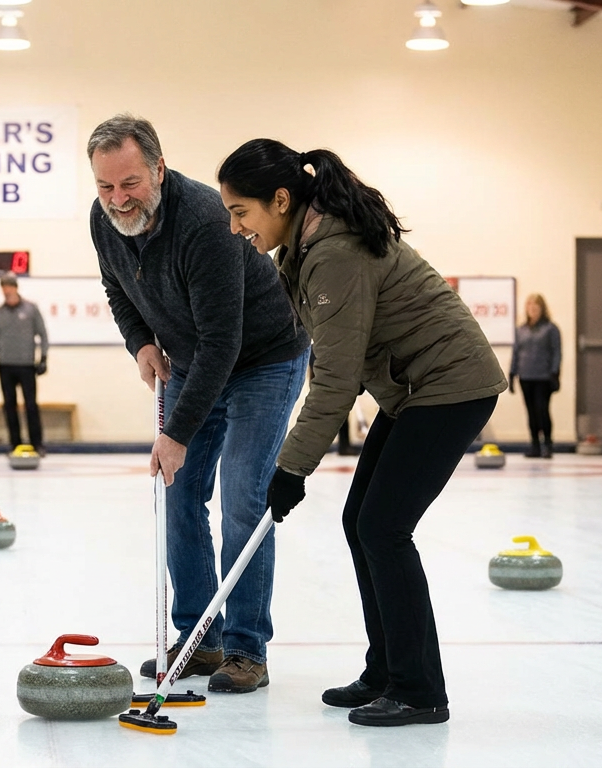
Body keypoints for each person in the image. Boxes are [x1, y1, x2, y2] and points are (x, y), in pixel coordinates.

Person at [217, 139, 507, 726]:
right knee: (361, 522)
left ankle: (420, 691)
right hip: (412, 390)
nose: (234, 227)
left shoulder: (334, 253)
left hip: (450, 386)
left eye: (240, 212)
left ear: (280, 200)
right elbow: (330, 362)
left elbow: (338, 379)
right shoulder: (302, 251)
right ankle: (387, 670)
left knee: (384, 528)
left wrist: (291, 466)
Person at [88, 115, 309, 693]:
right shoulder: (104, 220)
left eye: (130, 183)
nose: (118, 198)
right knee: (178, 492)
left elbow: (223, 340)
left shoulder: (207, 219)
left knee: (243, 494)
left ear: (159, 169)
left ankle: (244, 648)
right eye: (106, 186)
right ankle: (198, 638)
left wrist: (177, 432)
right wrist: (139, 341)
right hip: (192, 360)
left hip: (263, 358)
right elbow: (116, 286)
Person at [0, 272, 49, 451]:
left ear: (14, 288)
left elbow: (42, 334)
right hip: (5, 364)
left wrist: (43, 357)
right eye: (3, 288)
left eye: (8, 287)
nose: (6, 292)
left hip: (27, 365)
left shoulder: (30, 309)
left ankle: (37, 443)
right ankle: (16, 443)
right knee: (9, 406)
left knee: (30, 405)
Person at [510, 293, 561, 458]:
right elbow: (516, 352)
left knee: (542, 410)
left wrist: (555, 372)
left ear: (542, 308)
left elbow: (556, 352)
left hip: (543, 377)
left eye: (535, 306)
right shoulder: (521, 330)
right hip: (526, 376)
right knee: (531, 412)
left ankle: (547, 443)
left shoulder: (550, 329)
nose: (532, 309)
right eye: (529, 306)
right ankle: (535, 445)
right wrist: (512, 373)